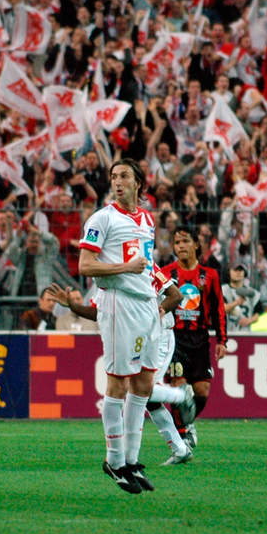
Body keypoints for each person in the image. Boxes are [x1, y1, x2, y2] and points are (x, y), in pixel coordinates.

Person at [78, 160, 167, 493]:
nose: (117, 182)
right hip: (118, 304)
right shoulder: (102, 218)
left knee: (143, 383)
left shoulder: (146, 219)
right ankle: (113, 461)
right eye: (114, 177)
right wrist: (126, 268)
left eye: (124, 176)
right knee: (117, 384)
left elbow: (146, 262)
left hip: (145, 307)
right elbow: (86, 264)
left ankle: (131, 460)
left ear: (138, 183)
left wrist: (158, 283)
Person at [45, 278, 192, 464]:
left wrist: (157, 311)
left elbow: (176, 295)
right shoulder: (105, 283)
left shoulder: (145, 265)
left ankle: (180, 395)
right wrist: (73, 306)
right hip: (136, 335)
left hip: (160, 334)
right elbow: (97, 313)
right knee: (143, 396)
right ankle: (179, 448)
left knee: (141, 390)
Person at [161, 228, 228, 449]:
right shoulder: (166, 273)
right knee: (179, 389)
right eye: (176, 242)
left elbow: (219, 308)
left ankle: (187, 424)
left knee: (201, 392)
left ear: (196, 245)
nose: (180, 245)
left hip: (200, 340)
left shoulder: (210, 275)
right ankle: (181, 436)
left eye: (185, 241)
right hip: (175, 339)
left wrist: (222, 340)